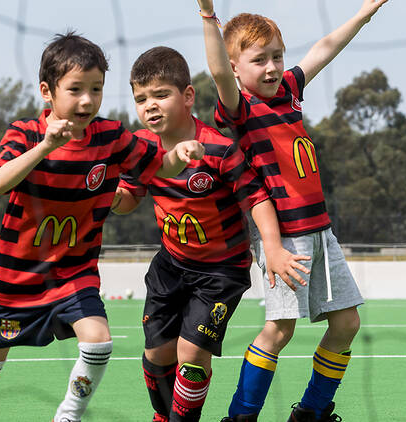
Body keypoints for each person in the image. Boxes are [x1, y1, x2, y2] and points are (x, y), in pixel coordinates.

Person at [0, 32, 203, 422]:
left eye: (96, 89)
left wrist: (179, 155)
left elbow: (157, 168)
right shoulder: (25, 133)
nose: (87, 100)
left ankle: (67, 416)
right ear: (47, 91)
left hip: (73, 273)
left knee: (99, 343)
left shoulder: (112, 138)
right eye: (75, 89)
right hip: (16, 279)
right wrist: (45, 146)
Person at [196, 1, 389, 421]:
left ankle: (311, 412)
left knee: (347, 324)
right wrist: (209, 17)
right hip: (285, 239)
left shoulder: (289, 90)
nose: (270, 68)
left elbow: (324, 47)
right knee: (280, 330)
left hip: (321, 232)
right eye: (259, 59)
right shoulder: (240, 108)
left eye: (276, 57)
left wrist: (366, 12)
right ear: (236, 68)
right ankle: (240, 416)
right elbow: (216, 72)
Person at [112, 46, 310, 422]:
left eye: (160, 95)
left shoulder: (219, 148)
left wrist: (272, 248)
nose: (149, 106)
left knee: (191, 354)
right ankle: (163, 416)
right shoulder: (139, 149)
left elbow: (257, 199)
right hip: (170, 266)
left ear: (188, 96)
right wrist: (105, 196)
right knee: (157, 356)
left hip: (221, 272)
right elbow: (126, 201)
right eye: (140, 98)